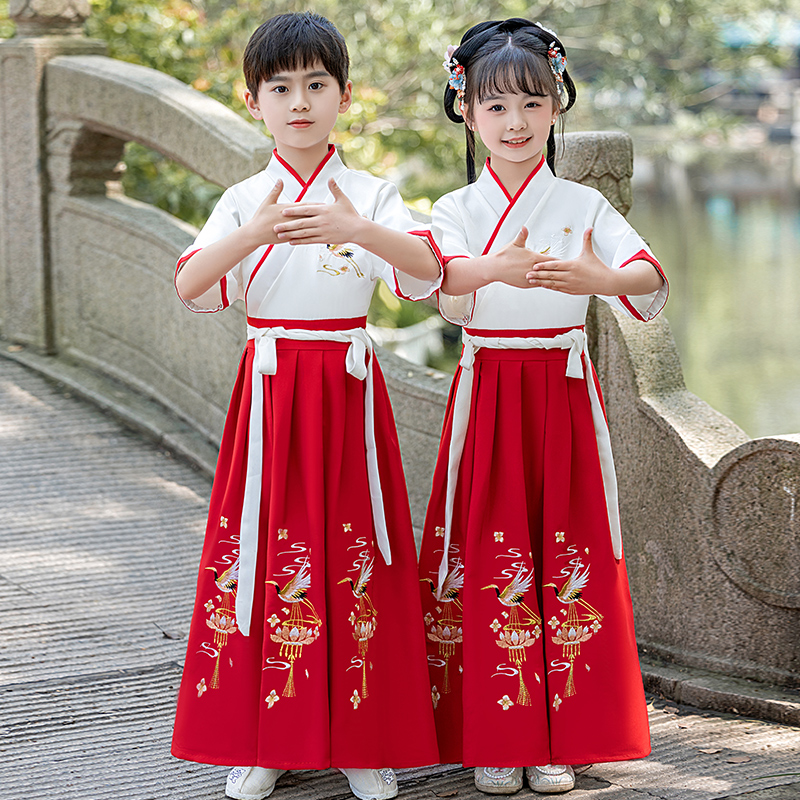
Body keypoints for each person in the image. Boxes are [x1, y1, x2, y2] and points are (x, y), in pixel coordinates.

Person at [170, 12, 540, 800]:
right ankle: (265, 740)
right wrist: (257, 230)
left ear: (344, 97)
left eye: (316, 85)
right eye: (281, 87)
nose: (299, 101)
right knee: (268, 556)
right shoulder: (244, 197)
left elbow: (427, 272)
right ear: (252, 102)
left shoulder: (371, 191)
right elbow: (193, 285)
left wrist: (356, 227)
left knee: (354, 552)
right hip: (271, 393)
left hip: (345, 388)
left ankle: (361, 742)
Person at [416, 18, 669, 796]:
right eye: (495, 107)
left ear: (557, 102)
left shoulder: (583, 203)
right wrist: (492, 267)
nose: (516, 123)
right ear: (465, 110)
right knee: (493, 551)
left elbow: (648, 275)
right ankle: (499, 731)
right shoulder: (452, 207)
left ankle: (562, 732)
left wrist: (598, 279)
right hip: (490, 388)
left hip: (560, 390)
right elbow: (441, 286)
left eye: (531, 102)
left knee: (568, 548)